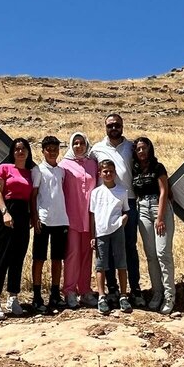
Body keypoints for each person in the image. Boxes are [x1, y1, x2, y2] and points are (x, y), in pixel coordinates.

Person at [91, 113, 144, 307]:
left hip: (127, 202)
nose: (114, 128)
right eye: (110, 125)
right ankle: (112, 289)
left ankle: (134, 289)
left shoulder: (131, 147)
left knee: (129, 247)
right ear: (105, 127)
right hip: (105, 204)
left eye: (117, 125)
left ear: (122, 126)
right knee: (108, 249)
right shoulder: (96, 149)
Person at [0, 137, 34, 321]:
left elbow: (32, 197)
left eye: (23, 149)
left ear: (28, 152)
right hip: (8, 211)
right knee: (3, 255)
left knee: (18, 256)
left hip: (23, 214)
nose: (20, 152)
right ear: (12, 152)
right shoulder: (4, 168)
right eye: (17, 149)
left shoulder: (30, 172)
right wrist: (5, 212)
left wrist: (31, 216)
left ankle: (13, 296)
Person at [133, 137, 176, 314]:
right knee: (150, 255)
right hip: (142, 208)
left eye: (144, 148)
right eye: (138, 149)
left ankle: (169, 295)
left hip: (160, 209)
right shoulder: (135, 169)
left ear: (150, 149)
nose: (141, 152)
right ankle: (156, 292)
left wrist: (160, 218)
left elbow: (164, 191)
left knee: (163, 253)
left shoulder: (158, 167)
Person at [60, 132, 99, 308]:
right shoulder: (64, 165)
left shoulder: (93, 164)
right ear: (71, 145)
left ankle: (85, 290)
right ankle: (69, 291)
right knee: (72, 254)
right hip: (71, 216)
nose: (78, 146)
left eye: (81, 143)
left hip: (89, 217)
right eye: (75, 143)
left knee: (86, 254)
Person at [31, 135, 69, 313]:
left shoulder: (61, 171)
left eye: (55, 149)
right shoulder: (38, 170)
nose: (52, 152)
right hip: (44, 219)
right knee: (39, 258)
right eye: (49, 149)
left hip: (60, 219)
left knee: (57, 258)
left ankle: (55, 293)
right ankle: (37, 295)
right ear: (43, 151)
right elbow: (34, 195)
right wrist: (35, 216)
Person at [89, 159, 132, 315]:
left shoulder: (122, 191)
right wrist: (92, 235)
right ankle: (101, 296)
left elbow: (126, 210)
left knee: (121, 262)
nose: (108, 174)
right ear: (100, 173)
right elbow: (92, 215)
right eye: (105, 171)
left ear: (115, 173)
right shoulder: (95, 193)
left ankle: (123, 295)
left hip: (117, 230)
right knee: (101, 265)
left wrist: (124, 219)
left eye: (111, 171)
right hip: (101, 232)